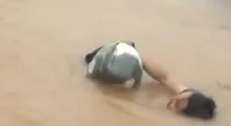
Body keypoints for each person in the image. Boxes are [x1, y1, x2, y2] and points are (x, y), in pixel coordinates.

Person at [84, 41, 217, 120]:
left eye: (176, 105)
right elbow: (165, 77)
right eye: (178, 96)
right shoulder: (188, 97)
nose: (172, 100)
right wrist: (135, 56)